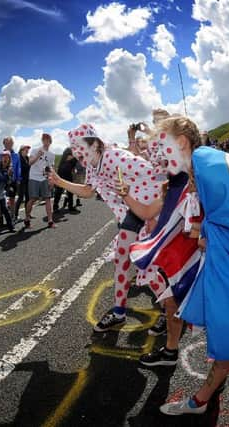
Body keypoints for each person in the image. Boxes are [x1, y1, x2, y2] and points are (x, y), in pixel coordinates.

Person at [155, 120, 229, 427]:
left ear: (181, 141)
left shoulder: (205, 165)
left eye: (161, 142)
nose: (157, 151)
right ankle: (207, 403)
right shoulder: (206, 162)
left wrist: (205, 233)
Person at [49, 124, 165, 332]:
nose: (75, 152)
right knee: (123, 257)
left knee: (143, 262)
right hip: (134, 210)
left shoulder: (116, 158)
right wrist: (59, 182)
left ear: (95, 144)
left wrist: (159, 211)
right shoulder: (94, 165)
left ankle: (169, 310)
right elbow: (87, 191)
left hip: (150, 207)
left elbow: (157, 175)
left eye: (78, 146)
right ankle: (120, 312)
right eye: (72, 148)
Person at [117, 117, 203, 367]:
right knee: (170, 304)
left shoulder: (201, 177)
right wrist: (126, 196)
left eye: (165, 148)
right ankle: (170, 352)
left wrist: (201, 232)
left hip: (194, 260)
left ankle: (214, 379)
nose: (162, 156)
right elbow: (146, 213)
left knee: (202, 313)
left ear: (182, 142)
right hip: (174, 260)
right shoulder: (173, 182)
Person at [24, 133, 56, 229]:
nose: (45, 141)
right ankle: (27, 218)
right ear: (42, 141)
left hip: (44, 178)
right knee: (33, 198)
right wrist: (38, 155)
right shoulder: (35, 150)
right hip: (34, 177)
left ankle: (50, 221)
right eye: (44, 139)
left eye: (47, 139)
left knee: (48, 198)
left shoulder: (51, 155)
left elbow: (50, 168)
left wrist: (51, 179)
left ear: (50, 141)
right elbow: (30, 163)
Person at [53, 146, 79, 214]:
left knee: (70, 191)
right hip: (61, 174)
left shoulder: (75, 158)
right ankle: (55, 207)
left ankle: (70, 206)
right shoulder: (68, 151)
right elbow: (68, 158)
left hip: (68, 174)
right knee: (59, 191)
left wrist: (74, 170)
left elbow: (74, 163)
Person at [3, 137, 22, 218]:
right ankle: (1, 217)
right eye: (6, 143)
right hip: (2, 180)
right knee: (2, 200)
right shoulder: (0, 154)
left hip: (12, 180)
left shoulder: (16, 155)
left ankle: (12, 216)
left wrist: (18, 179)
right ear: (4, 144)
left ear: (12, 144)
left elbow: (18, 168)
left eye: (10, 143)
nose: (8, 145)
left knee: (12, 198)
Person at [14, 145, 31, 221]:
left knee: (28, 198)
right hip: (21, 181)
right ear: (21, 150)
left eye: (28, 149)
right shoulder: (18, 158)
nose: (27, 150)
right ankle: (16, 215)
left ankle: (27, 214)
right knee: (20, 198)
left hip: (27, 180)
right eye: (26, 149)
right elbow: (18, 169)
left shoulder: (27, 158)